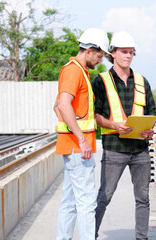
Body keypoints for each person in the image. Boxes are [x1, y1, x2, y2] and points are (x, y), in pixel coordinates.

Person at [91, 31, 156, 240]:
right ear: (113, 53)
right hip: (114, 148)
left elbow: (152, 112)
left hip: (140, 150)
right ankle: (89, 235)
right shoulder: (100, 81)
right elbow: (94, 114)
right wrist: (113, 125)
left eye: (131, 52)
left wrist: (150, 130)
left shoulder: (142, 81)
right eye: (124, 52)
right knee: (104, 197)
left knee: (143, 198)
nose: (128, 56)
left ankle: (141, 238)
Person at [54, 28, 109, 240]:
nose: (100, 61)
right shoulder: (74, 71)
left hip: (73, 147)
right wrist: (80, 138)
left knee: (69, 202)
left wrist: (72, 131)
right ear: (88, 51)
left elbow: (57, 106)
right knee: (86, 202)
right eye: (99, 55)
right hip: (79, 148)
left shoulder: (77, 71)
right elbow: (63, 105)